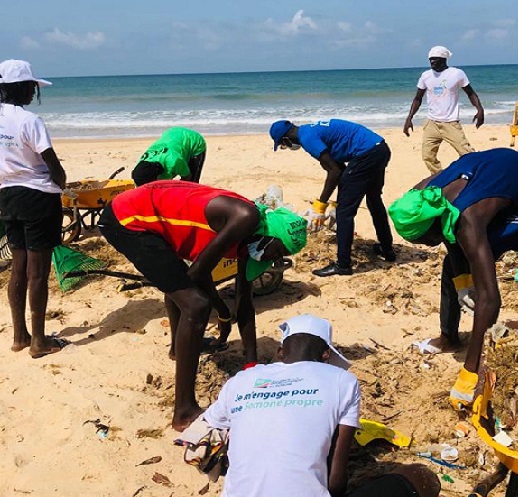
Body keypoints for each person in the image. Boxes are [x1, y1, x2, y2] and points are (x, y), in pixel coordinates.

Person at [388, 148, 518, 411]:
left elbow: (491, 300)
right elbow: (448, 233)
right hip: (503, 204)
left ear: (432, 225)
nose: (433, 245)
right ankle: (448, 337)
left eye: (428, 241)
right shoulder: (424, 194)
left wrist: (470, 370)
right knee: (451, 269)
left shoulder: (468, 218)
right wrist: (463, 283)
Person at [97, 180, 307, 430]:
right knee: (195, 305)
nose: (274, 259)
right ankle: (184, 411)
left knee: (179, 287)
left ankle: (178, 348)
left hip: (155, 223)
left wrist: (251, 365)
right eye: (277, 251)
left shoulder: (249, 238)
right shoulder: (245, 217)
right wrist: (220, 311)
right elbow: (197, 274)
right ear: (271, 235)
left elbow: (244, 300)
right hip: (128, 220)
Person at [195, 314, 361, 497]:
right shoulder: (343, 381)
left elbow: (206, 427)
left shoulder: (242, 380)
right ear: (326, 354)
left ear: (280, 353)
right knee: (395, 481)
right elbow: (336, 482)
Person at [0, 59, 69, 358]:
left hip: (7, 196)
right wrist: (63, 184)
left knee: (19, 266)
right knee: (38, 272)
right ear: (22, 88)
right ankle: (39, 341)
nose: (33, 93)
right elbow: (52, 165)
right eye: (31, 87)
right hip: (37, 196)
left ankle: (19, 335)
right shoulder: (29, 121)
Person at [270, 119, 395, 277]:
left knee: (345, 213)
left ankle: (343, 265)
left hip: (366, 155)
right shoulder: (309, 130)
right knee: (374, 200)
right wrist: (336, 202)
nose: (286, 147)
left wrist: (320, 205)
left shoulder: (307, 139)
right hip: (380, 148)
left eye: (283, 145)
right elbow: (341, 170)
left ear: (286, 139)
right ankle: (387, 249)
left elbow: (334, 171)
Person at [403, 46, 484, 174]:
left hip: (450, 123)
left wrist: (480, 109)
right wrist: (409, 118)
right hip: (431, 123)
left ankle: (479, 174)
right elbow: (418, 98)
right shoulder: (426, 76)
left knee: (467, 154)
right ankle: (438, 176)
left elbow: (470, 93)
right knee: (427, 156)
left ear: (444, 59)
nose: (432, 62)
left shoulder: (456, 74)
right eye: (430, 59)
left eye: (435, 59)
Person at [131, 127, 207, 186]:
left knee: (191, 184)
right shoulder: (141, 166)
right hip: (171, 134)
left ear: (156, 178)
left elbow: (187, 176)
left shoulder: (173, 161)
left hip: (193, 140)